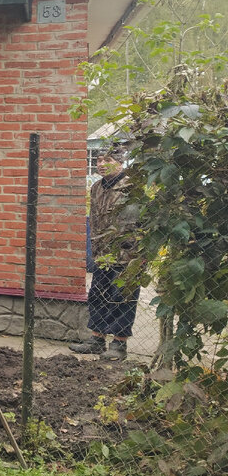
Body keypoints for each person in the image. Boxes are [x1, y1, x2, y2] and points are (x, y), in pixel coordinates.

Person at [70, 145, 140, 361]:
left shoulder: (133, 188)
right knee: (98, 296)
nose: (100, 164)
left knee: (122, 298)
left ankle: (119, 344)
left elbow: (142, 222)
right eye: (98, 160)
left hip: (128, 257)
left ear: (120, 162)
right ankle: (97, 339)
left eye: (106, 159)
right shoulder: (97, 188)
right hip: (102, 256)